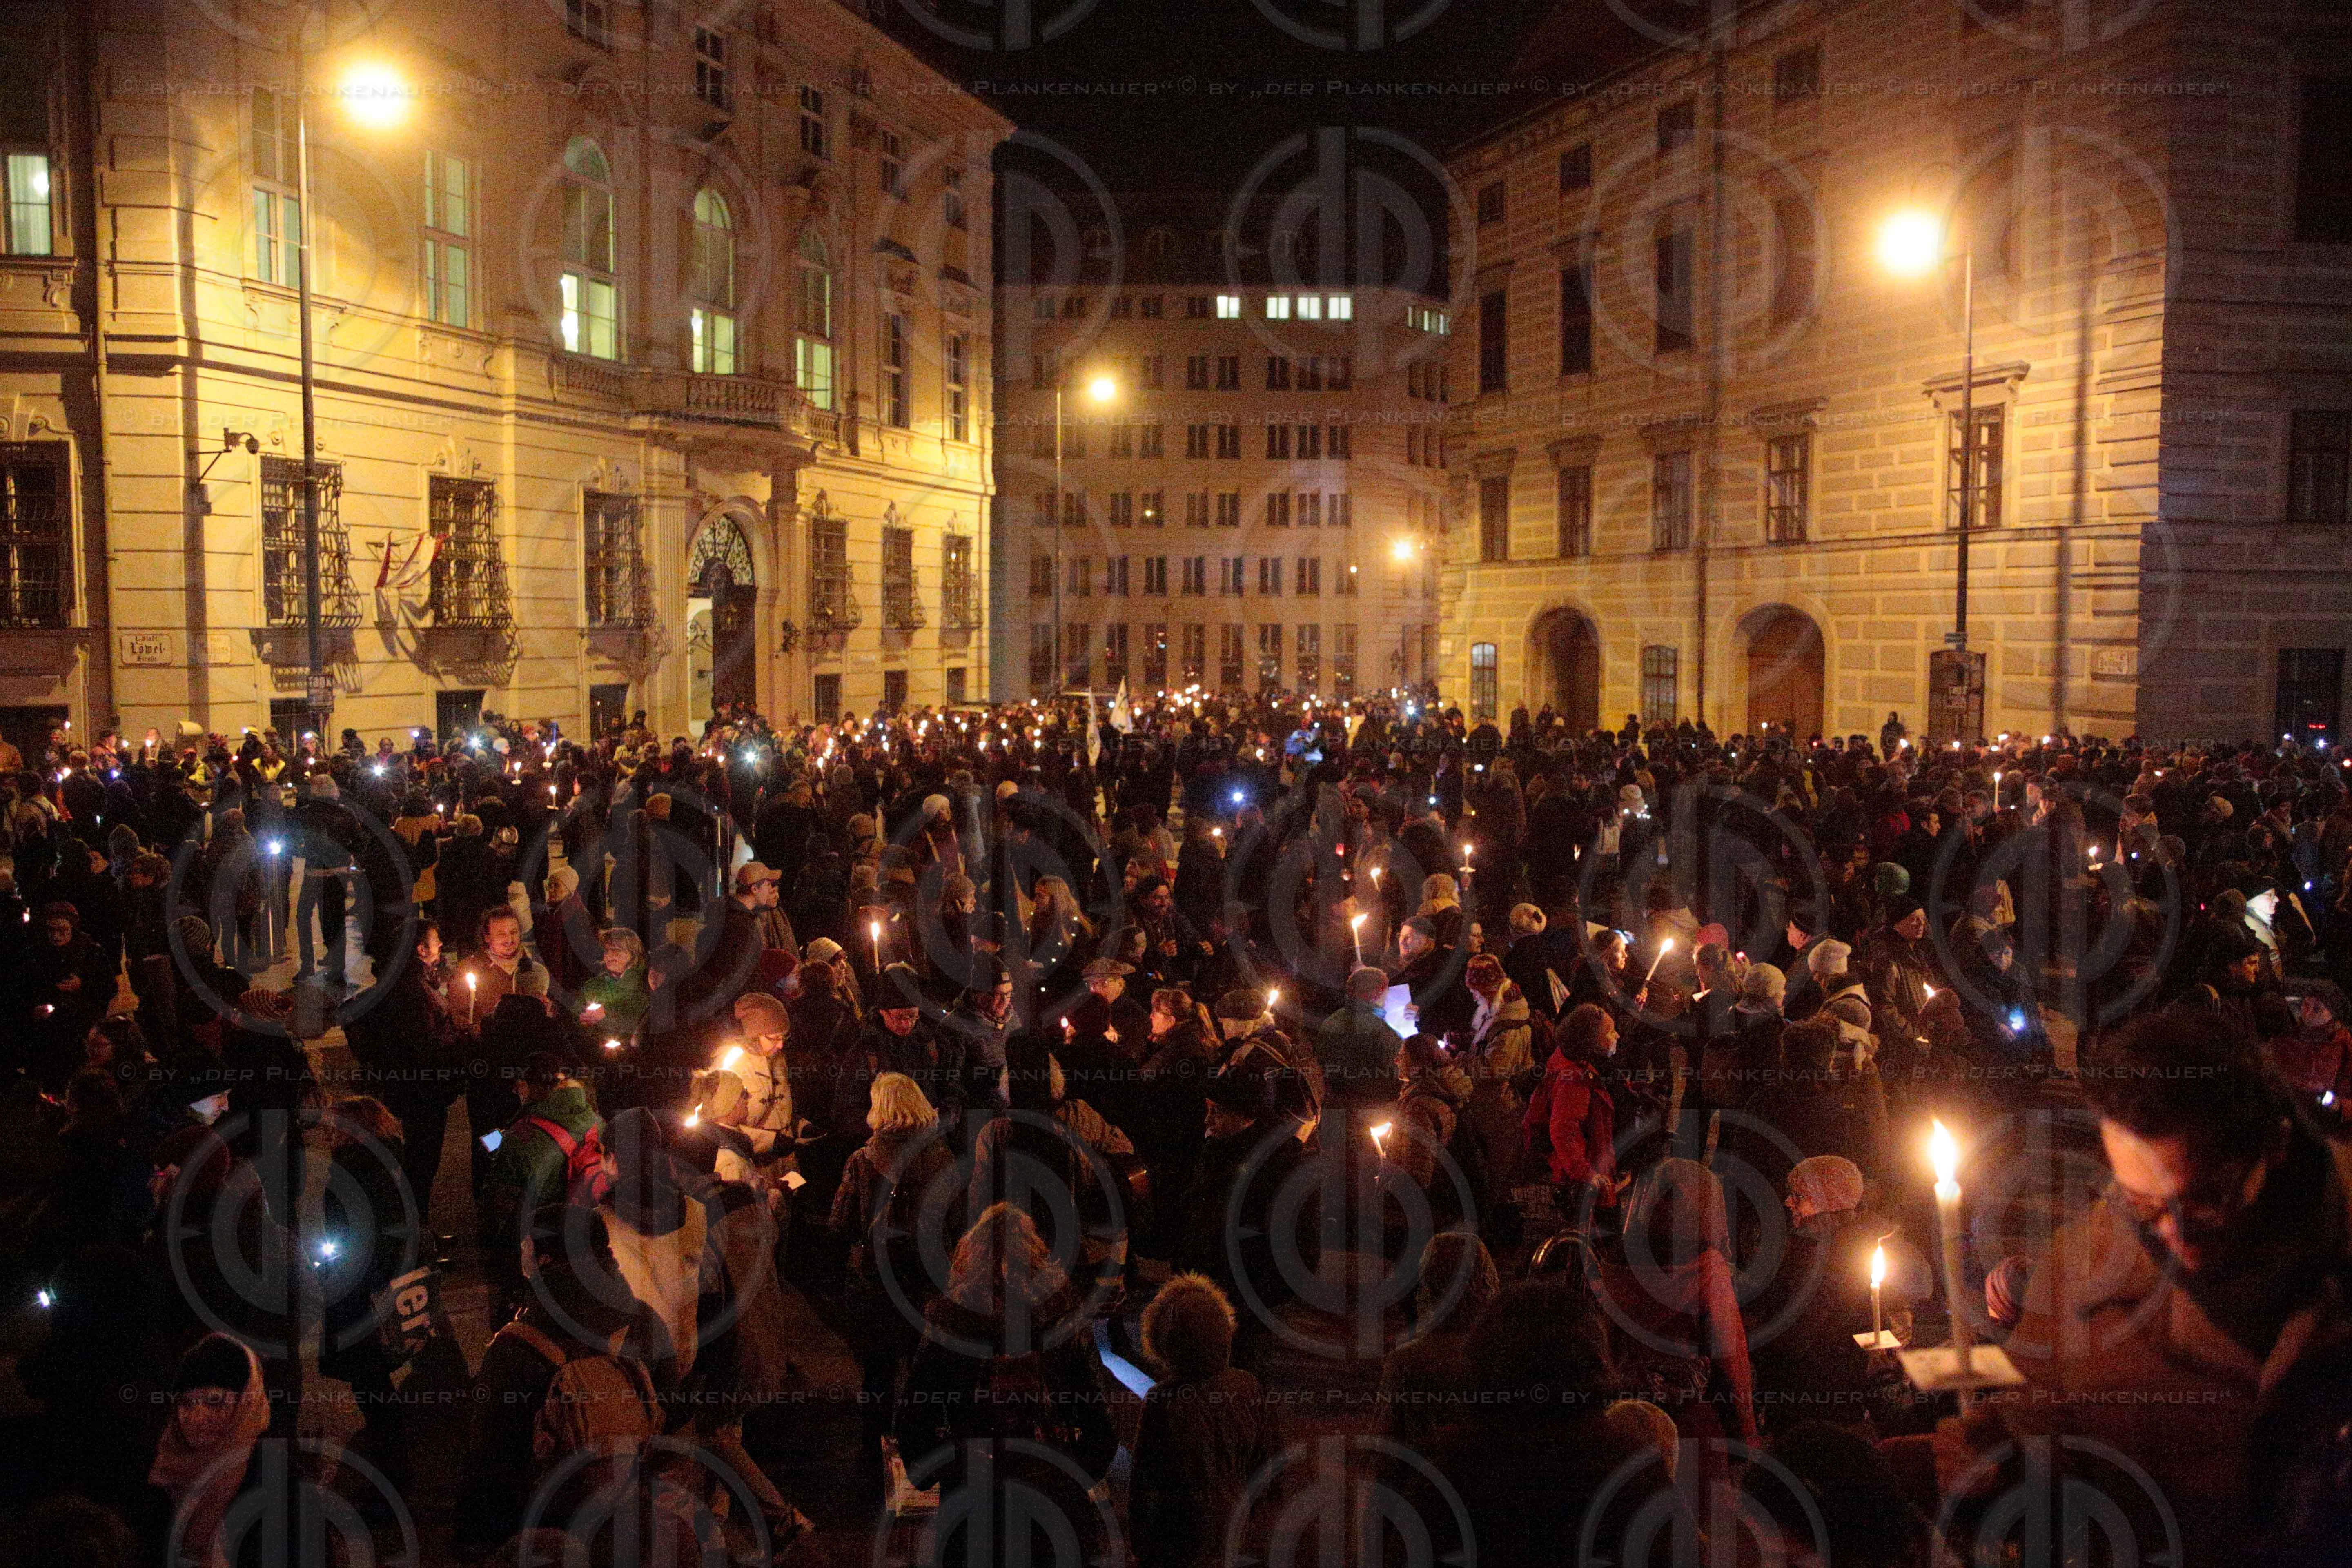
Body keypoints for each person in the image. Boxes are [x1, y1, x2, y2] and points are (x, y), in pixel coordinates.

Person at [1999, 1006, 2352, 1568]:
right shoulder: (2078, 1275)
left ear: (2276, 1145)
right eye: (2142, 1204)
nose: (2173, 1232)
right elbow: (2034, 1436)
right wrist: (1988, 1464)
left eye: (2204, 1200)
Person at [893, 1205, 1118, 1561]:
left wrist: (946, 1469)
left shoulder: (951, 1323)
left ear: (970, 1255)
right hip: (1051, 1497)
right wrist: (1073, 1476)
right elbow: (1100, 1421)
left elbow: (912, 1420)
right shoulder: (1063, 1319)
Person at [828, 1072, 959, 1453]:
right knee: (927, 1369)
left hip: (876, 1283)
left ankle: (874, 1450)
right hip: (929, 1279)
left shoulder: (863, 1160)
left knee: (879, 1370)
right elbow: (957, 1221)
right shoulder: (944, 1158)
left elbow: (841, 1224)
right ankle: (923, 1448)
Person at [1129, 1274, 1282, 1568]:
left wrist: (1141, 1545)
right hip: (1233, 1523)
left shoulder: (1164, 1401)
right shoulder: (1247, 1386)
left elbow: (1145, 1480)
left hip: (1177, 1535)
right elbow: (1269, 1462)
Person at [147, 1335, 270, 1568]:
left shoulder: (273, 1481)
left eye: (215, 1402)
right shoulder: (166, 1474)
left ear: (247, 1402)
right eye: (187, 1403)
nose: (198, 1418)